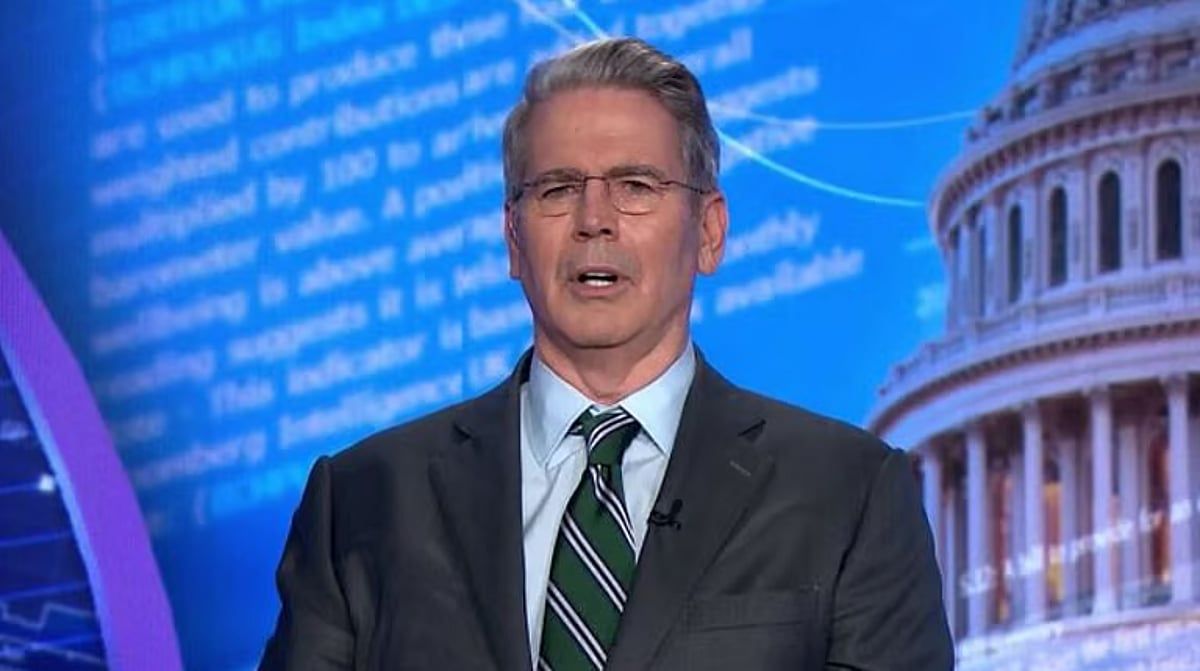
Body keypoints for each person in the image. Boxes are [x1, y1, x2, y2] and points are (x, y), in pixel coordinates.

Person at [259, 37, 953, 670]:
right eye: (558, 189)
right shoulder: (363, 500)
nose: (594, 221)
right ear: (513, 239)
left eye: (636, 187)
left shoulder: (848, 494)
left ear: (709, 232)